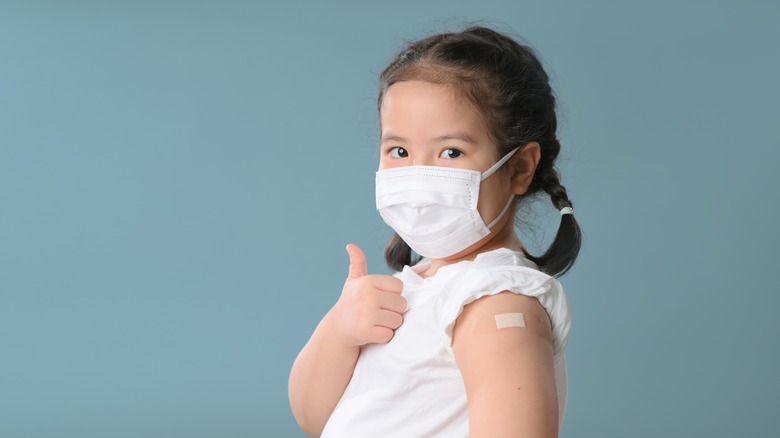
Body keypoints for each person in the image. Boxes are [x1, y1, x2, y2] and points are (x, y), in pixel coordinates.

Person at [288, 25, 582, 438]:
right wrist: (339, 333)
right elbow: (317, 417)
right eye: (400, 151)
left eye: (450, 152)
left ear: (518, 168)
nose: (417, 174)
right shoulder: (416, 287)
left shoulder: (494, 302)